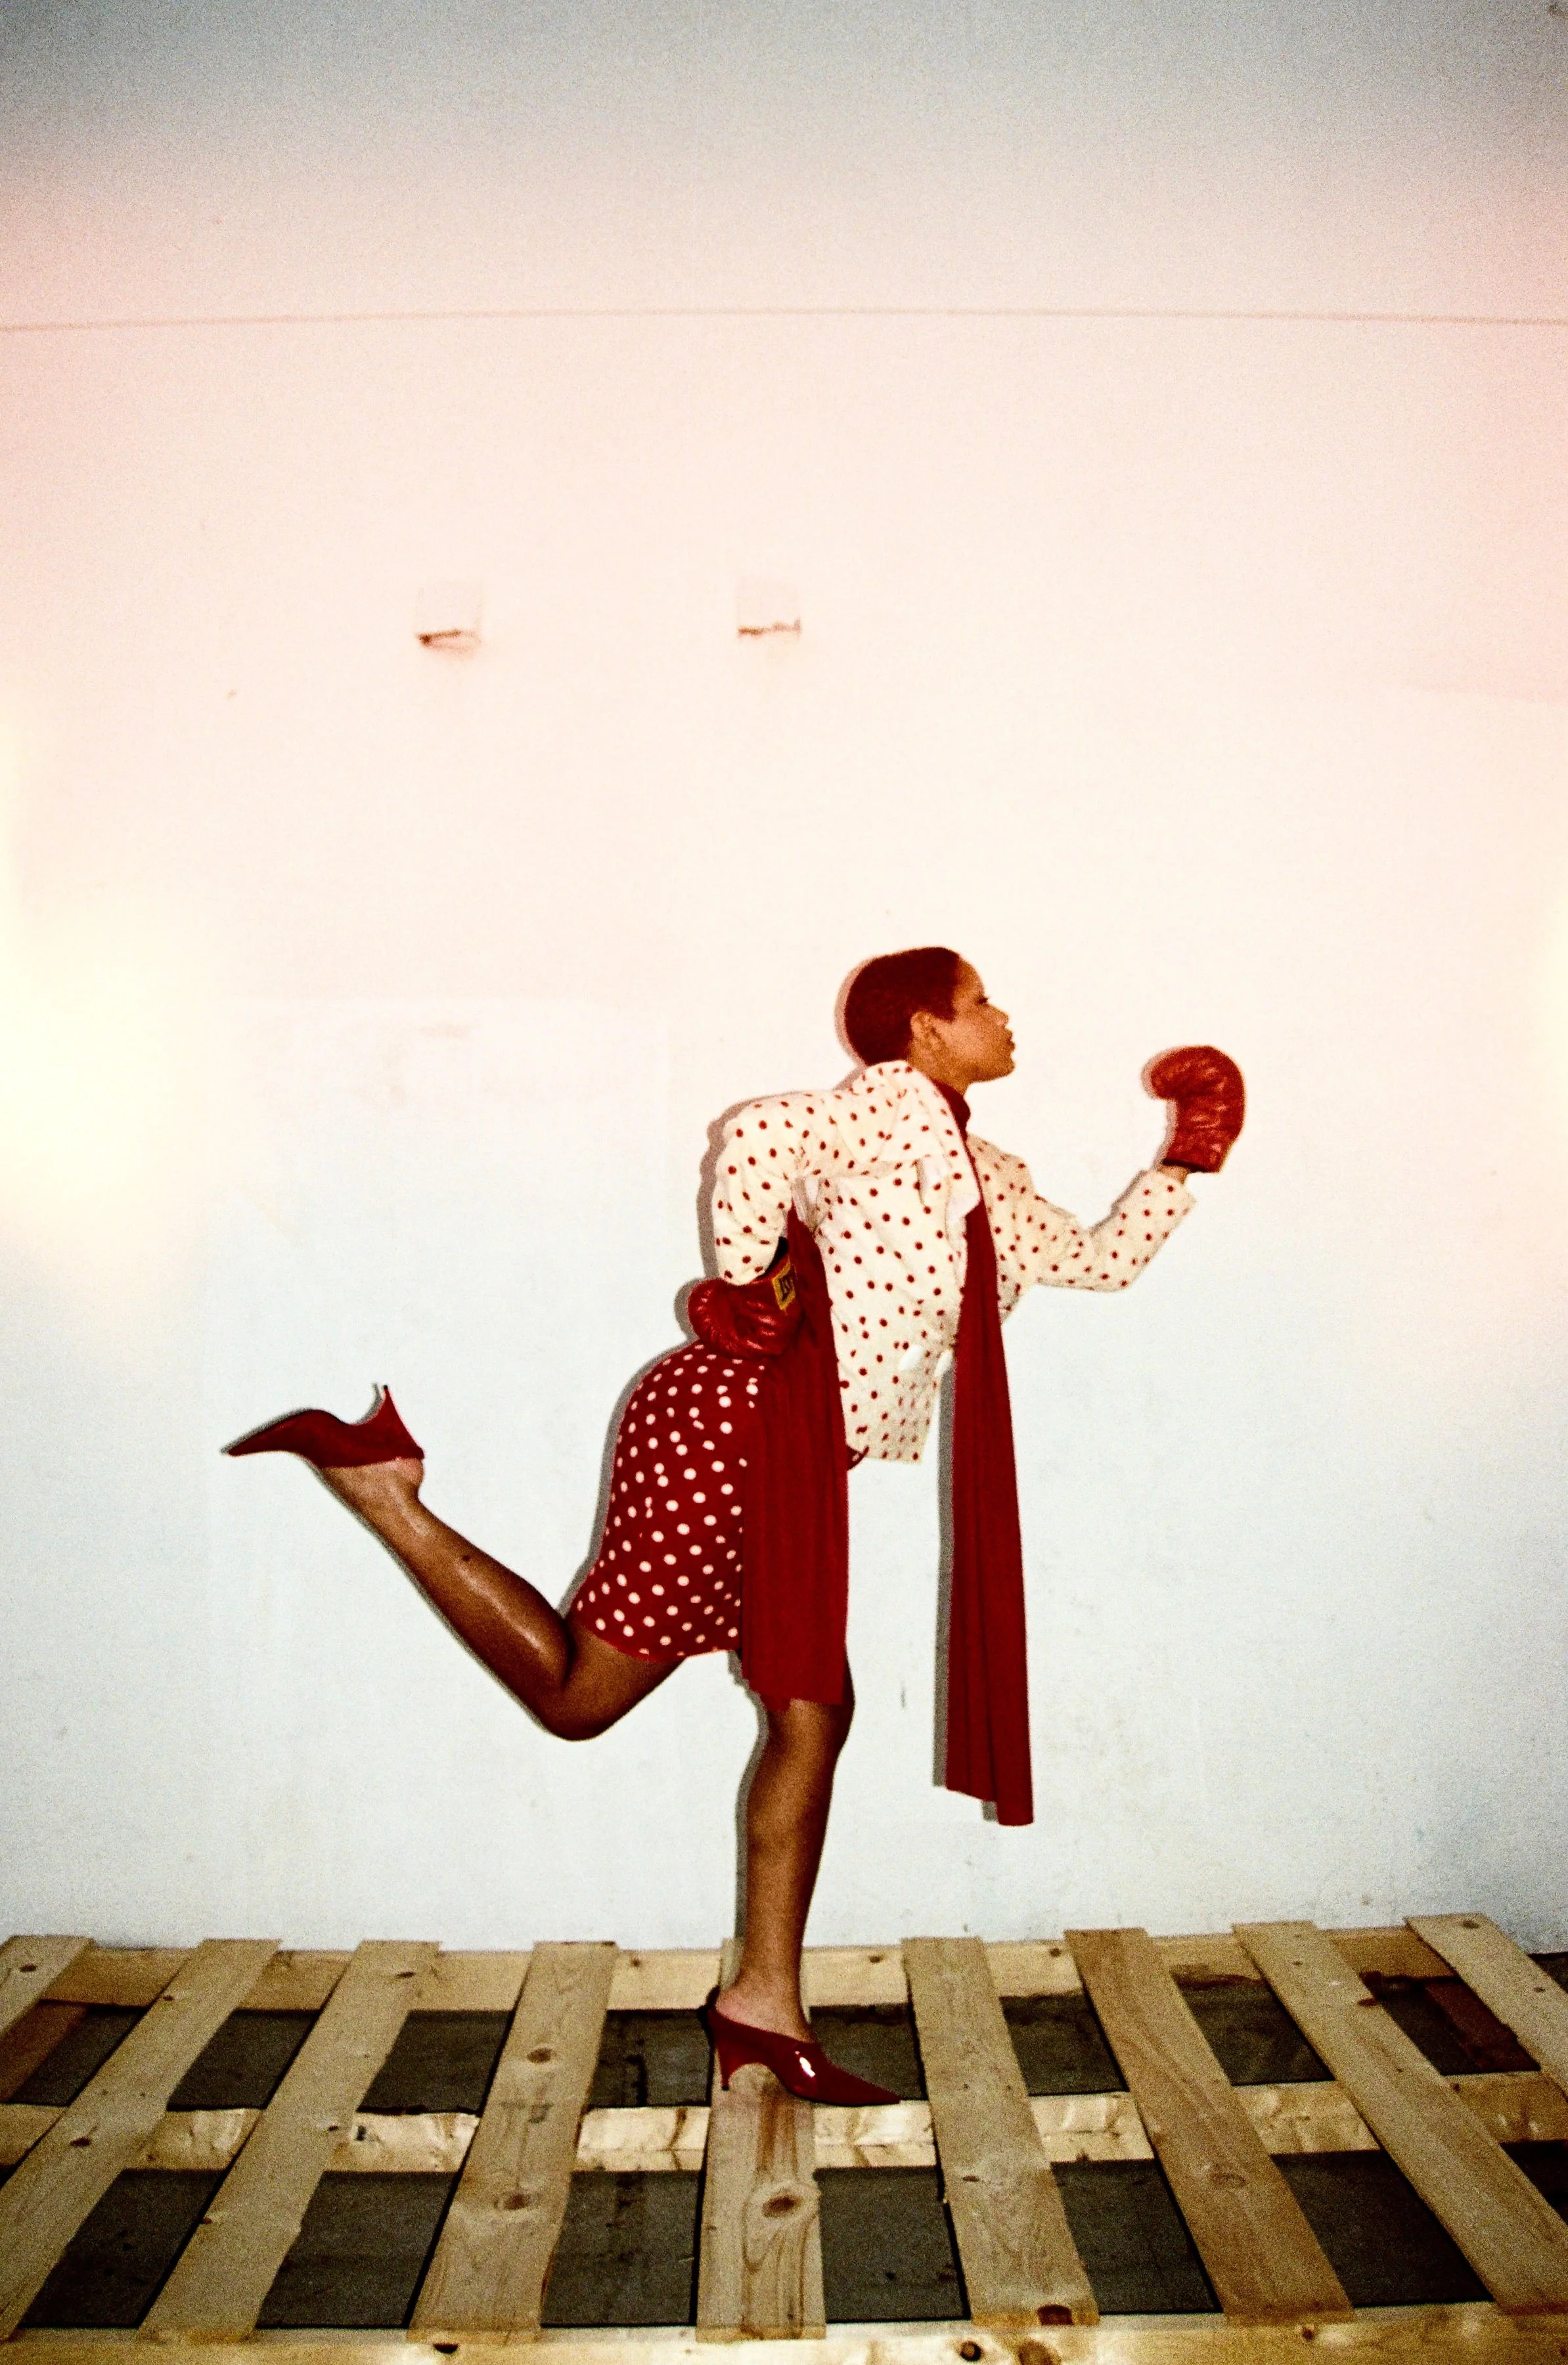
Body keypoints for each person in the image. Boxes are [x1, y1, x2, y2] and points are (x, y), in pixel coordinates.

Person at [226, 948, 1243, 2101]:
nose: (1004, 1018)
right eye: (980, 1003)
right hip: (731, 1421)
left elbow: (1097, 1263)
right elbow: (760, 1133)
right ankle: (386, 1492)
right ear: (923, 1030)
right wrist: (745, 1283)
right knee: (599, 1702)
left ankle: (762, 2002)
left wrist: (1188, 1154)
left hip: (790, 1451)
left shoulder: (979, 1174)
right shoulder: (877, 1114)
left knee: (806, 1709)